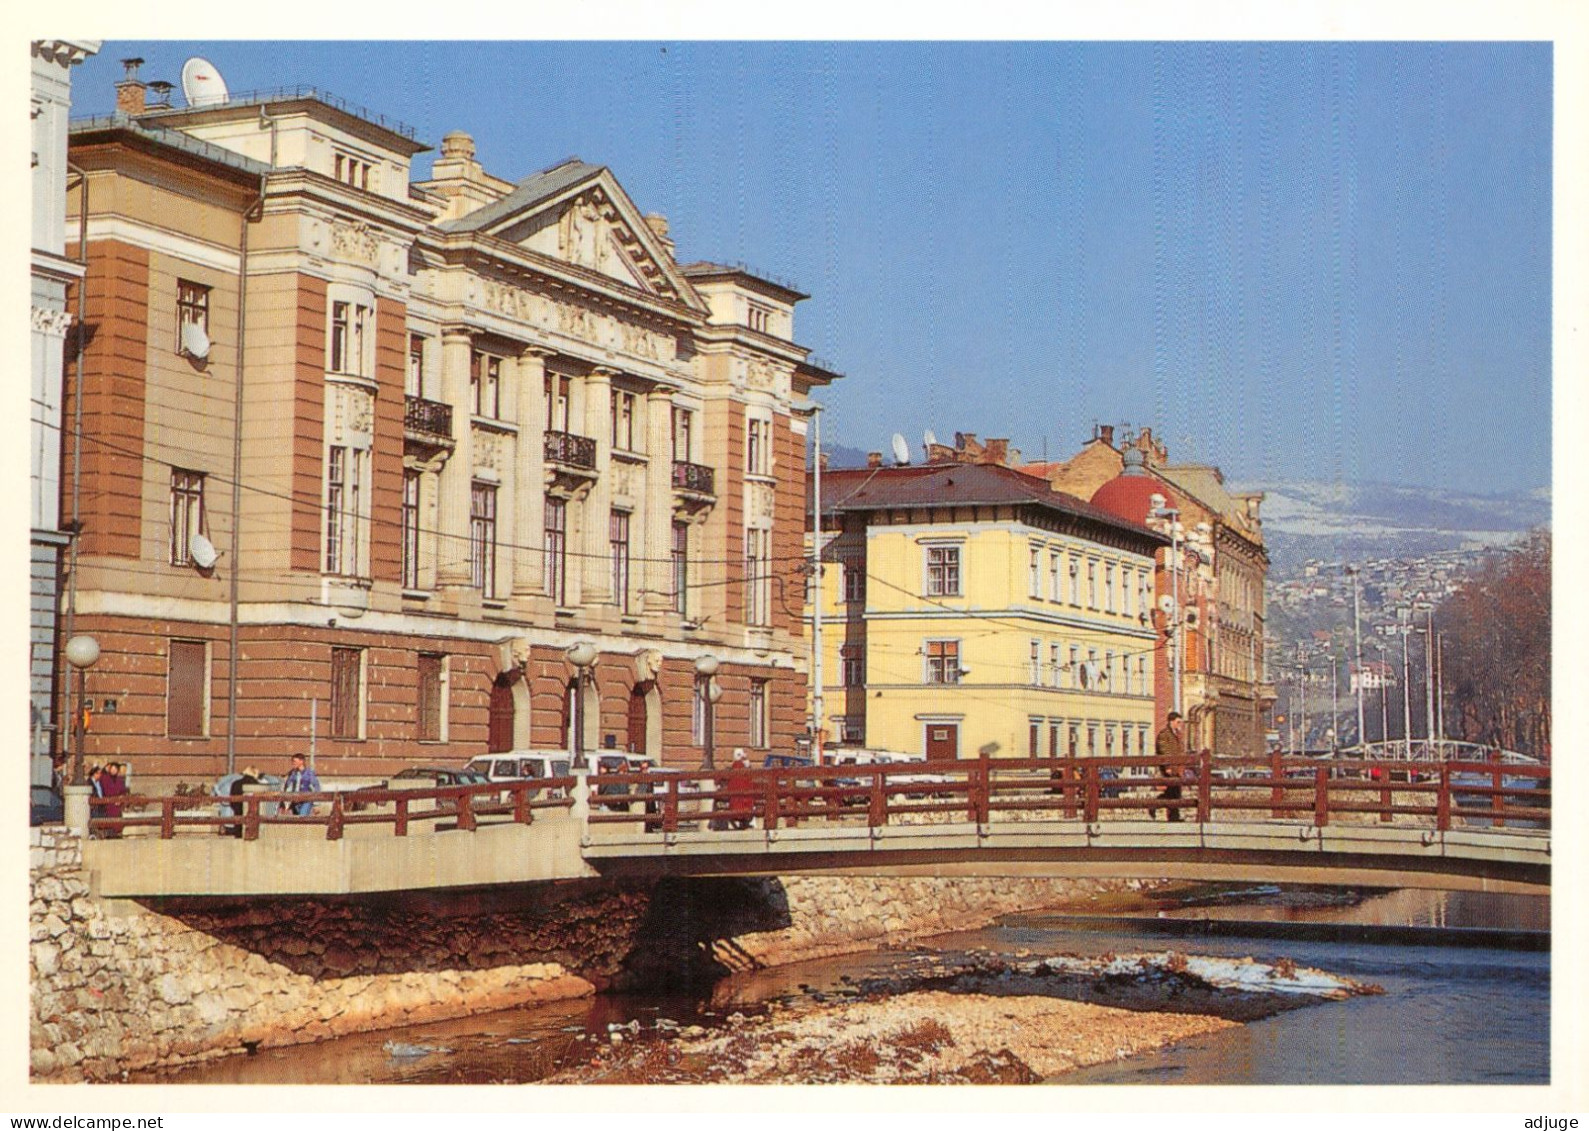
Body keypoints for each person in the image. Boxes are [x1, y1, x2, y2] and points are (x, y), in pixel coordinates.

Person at [1153, 712, 1187, 822]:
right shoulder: (1164, 735)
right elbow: (1164, 751)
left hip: (1177, 768)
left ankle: (1173, 816)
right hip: (1170, 768)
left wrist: (1182, 765)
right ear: (1171, 722)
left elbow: (1181, 750)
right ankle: (1154, 806)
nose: (1180, 725)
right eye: (1178, 722)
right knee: (1172, 792)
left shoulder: (1176, 735)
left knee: (1175, 792)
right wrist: (1167, 766)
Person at [724, 748, 755, 830]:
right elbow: (749, 783)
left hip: (735, 802)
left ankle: (739, 823)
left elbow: (729, 784)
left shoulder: (733, 768)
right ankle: (744, 823)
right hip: (746, 802)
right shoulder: (746, 768)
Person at [100, 761, 127, 837]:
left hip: (117, 804)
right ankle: (109, 834)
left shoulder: (120, 779)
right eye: (112, 768)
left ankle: (117, 834)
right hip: (109, 803)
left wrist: (121, 798)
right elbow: (105, 790)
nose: (113, 770)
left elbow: (123, 791)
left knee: (117, 820)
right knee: (109, 820)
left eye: (115, 769)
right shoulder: (105, 778)